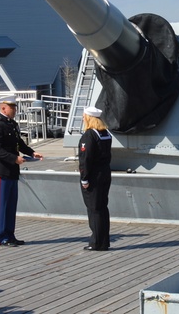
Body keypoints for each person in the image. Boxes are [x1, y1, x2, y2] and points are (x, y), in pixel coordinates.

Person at [0, 94, 42, 246]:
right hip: (1, 170)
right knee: (1, 205)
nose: (15, 110)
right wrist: (14, 158)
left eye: (15, 107)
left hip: (12, 171)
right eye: (12, 107)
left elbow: (19, 143)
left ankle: (10, 234)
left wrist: (31, 152)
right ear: (3, 108)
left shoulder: (12, 124)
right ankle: (1, 236)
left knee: (11, 205)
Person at [78, 105, 112, 251]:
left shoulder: (89, 135)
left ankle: (96, 242)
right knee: (103, 207)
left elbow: (86, 159)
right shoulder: (105, 133)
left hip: (93, 177)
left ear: (88, 118)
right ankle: (104, 241)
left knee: (94, 209)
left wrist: (84, 178)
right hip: (105, 173)